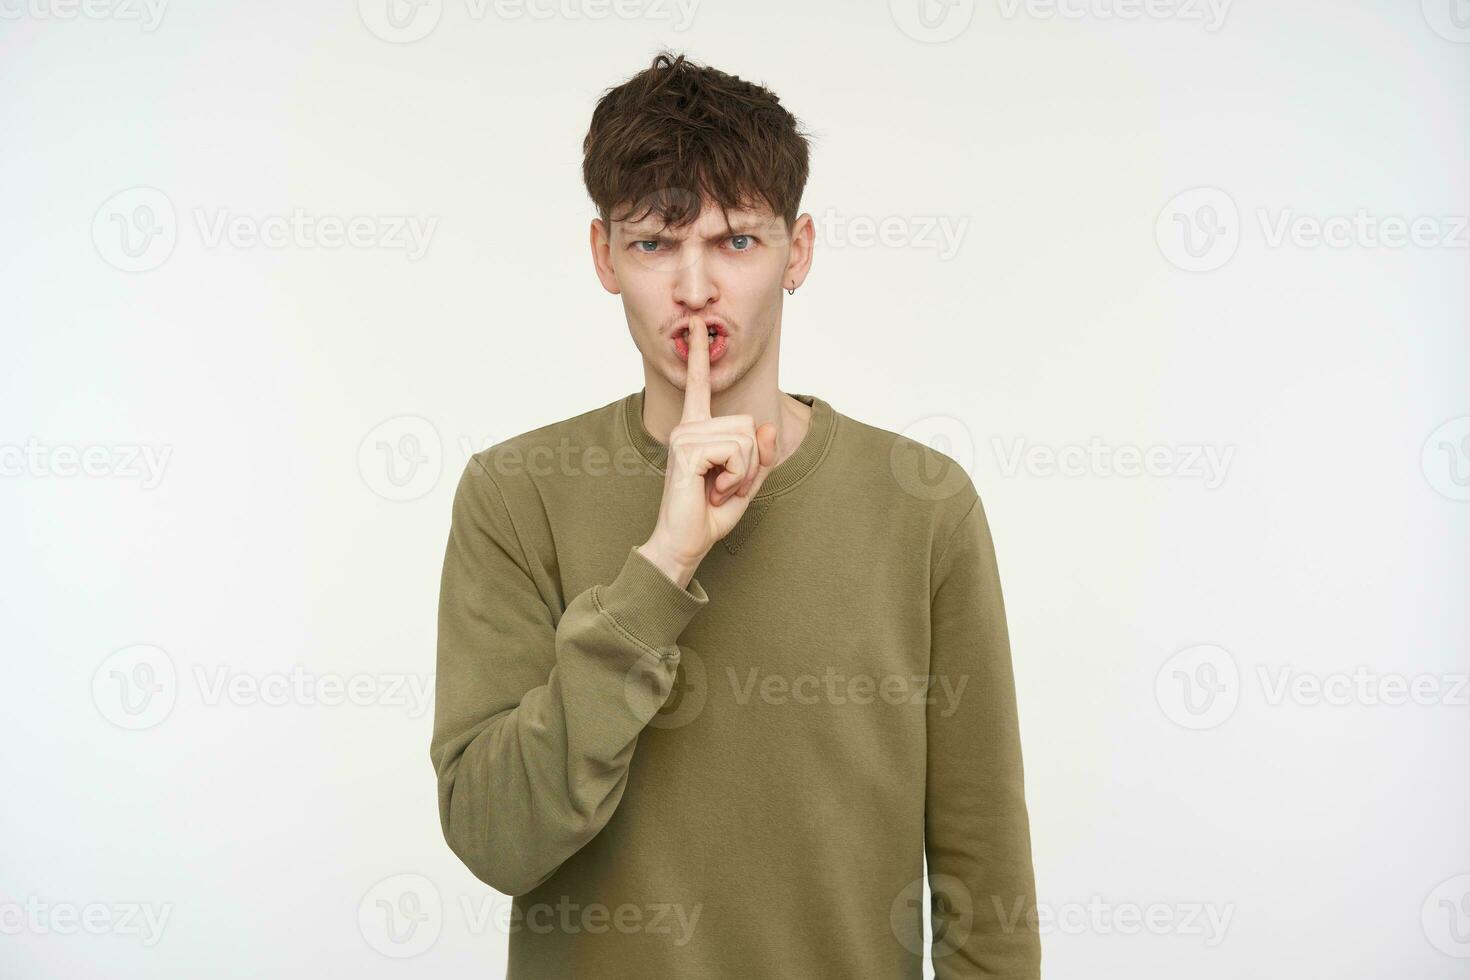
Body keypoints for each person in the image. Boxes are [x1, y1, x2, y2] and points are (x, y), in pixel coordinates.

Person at [430, 50, 1041, 980]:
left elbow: (984, 883)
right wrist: (662, 565)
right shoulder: (515, 495)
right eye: (653, 244)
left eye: (736, 242)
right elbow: (494, 838)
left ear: (797, 251)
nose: (694, 287)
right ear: (604, 257)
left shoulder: (924, 505)